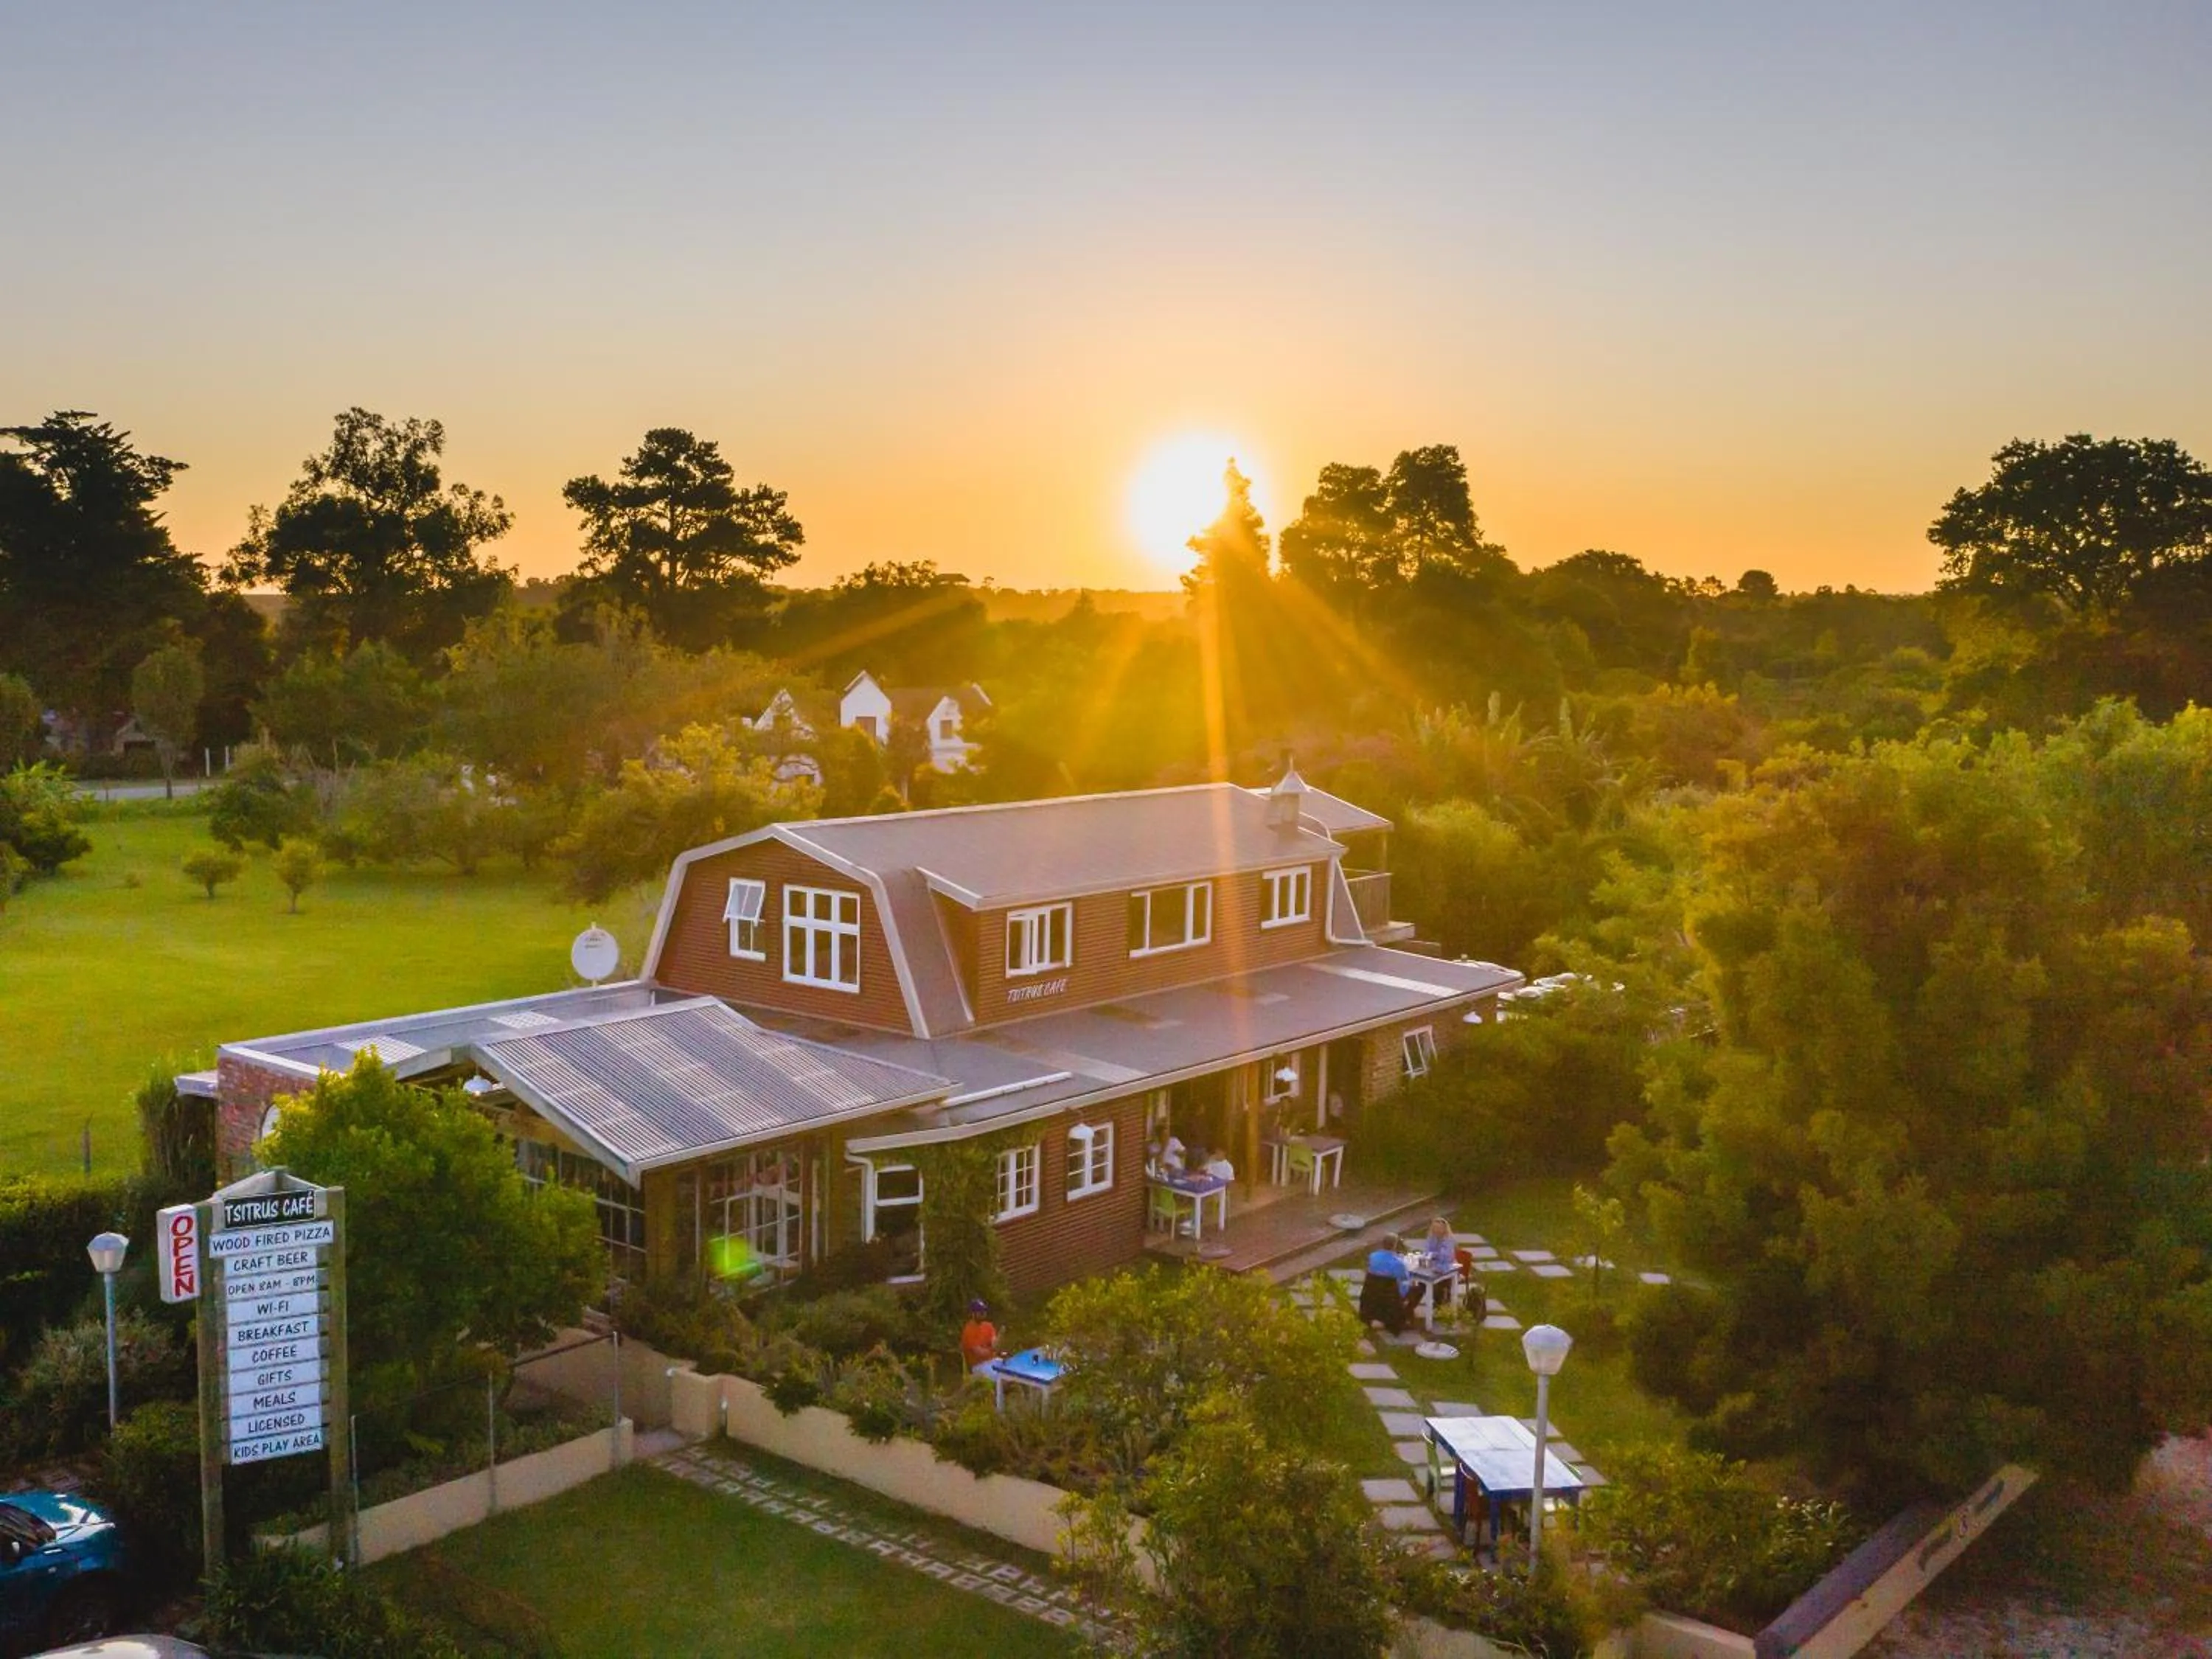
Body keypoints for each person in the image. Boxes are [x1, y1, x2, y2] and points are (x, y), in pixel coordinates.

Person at [1357, 1234, 1423, 1335]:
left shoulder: (1373, 1256)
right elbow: (1405, 1277)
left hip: (1372, 1292)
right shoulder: (1398, 1264)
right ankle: (1405, 1316)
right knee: (1418, 1289)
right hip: (1390, 1295)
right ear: (1395, 1246)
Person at [960, 1299, 1001, 1372]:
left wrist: (997, 1343)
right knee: (1000, 1377)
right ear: (973, 1313)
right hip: (978, 1366)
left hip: (993, 1360)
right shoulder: (969, 1330)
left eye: (984, 1311)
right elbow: (979, 1353)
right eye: (980, 1311)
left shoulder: (989, 1326)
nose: (983, 1313)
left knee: (1011, 1370)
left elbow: (995, 1344)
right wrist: (992, 1350)